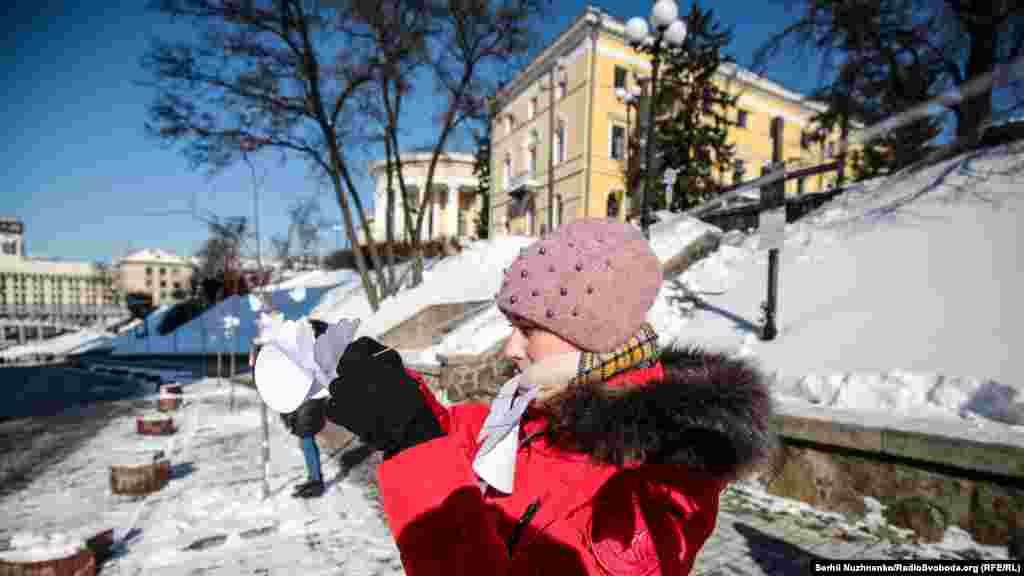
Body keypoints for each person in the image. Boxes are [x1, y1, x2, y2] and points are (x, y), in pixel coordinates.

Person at [321, 218, 776, 575]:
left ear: (593, 334)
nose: (510, 347)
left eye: (528, 329)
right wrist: (392, 397)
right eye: (510, 327)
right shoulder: (539, 411)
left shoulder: (658, 480)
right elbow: (464, 440)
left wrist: (414, 444)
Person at [252, 318, 331, 499]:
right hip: (304, 399)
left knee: (306, 438)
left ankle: (316, 481)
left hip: (308, 400)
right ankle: (314, 477)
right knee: (305, 439)